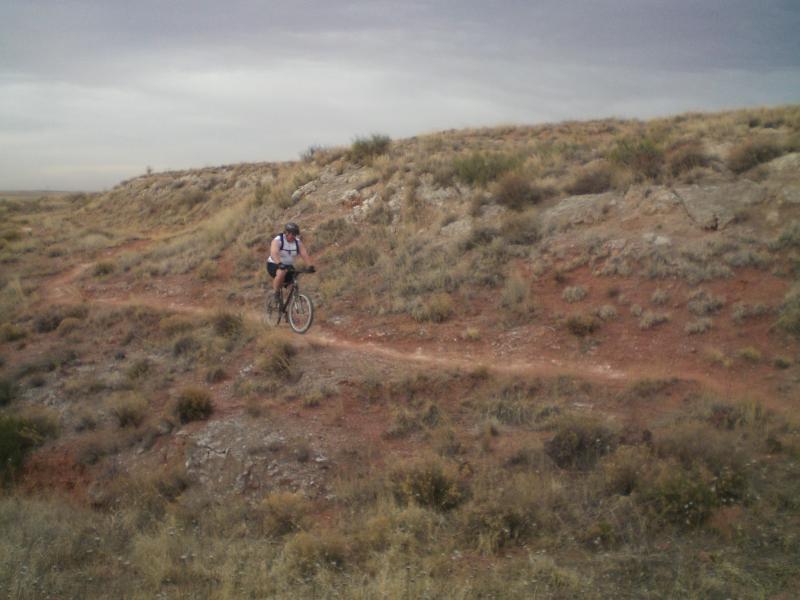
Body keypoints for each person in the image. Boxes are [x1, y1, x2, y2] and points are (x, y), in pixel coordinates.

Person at [266, 222, 315, 304]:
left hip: (288, 265)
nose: (294, 237)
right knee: (281, 273)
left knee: (292, 285)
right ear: (286, 233)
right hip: (273, 264)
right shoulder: (278, 240)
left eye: (295, 235)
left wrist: (310, 265)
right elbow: (274, 253)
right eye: (292, 234)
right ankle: (276, 294)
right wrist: (279, 263)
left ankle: (289, 308)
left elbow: (304, 254)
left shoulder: (297, 242)